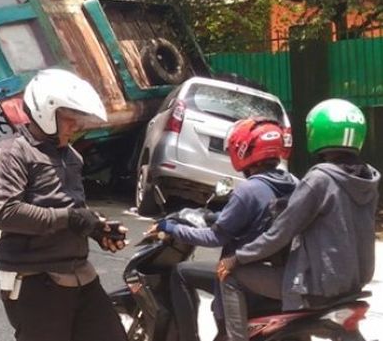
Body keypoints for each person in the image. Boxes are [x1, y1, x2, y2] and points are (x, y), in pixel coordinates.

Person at [217, 99, 380, 341]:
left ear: (318, 133)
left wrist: (237, 258)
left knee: (231, 276)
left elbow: (280, 232)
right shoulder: (369, 180)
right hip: (351, 286)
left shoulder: (319, 179)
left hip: (318, 287)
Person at [0, 68, 129, 341]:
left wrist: (96, 228)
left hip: (80, 275)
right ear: (44, 112)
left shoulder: (71, 157)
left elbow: (70, 209)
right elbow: (8, 213)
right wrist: (72, 218)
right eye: (68, 119)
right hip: (35, 280)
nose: (75, 126)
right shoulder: (10, 154)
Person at [149, 118, 296, 341]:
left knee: (180, 272)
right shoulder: (294, 183)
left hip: (245, 277)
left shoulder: (249, 190)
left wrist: (170, 227)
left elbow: (214, 237)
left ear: (245, 150)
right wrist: (211, 216)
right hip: (278, 275)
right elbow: (254, 218)